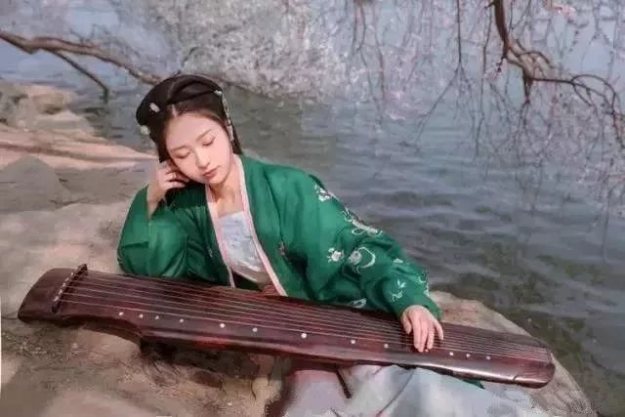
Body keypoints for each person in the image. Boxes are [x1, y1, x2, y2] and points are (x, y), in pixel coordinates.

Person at [117, 74, 554, 417]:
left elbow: (354, 243)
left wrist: (408, 299)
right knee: (310, 400)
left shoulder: (287, 187)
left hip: (331, 307)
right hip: (278, 327)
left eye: (208, 142)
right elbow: (155, 272)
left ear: (227, 128)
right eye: (182, 154)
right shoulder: (190, 207)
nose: (201, 161)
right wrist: (151, 199)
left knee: (397, 384)